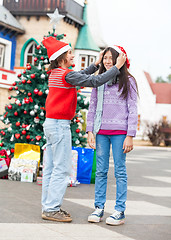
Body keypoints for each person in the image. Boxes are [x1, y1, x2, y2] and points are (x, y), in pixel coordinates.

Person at [41, 37, 126, 223]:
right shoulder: (66, 74)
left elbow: (80, 75)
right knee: (61, 169)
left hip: (50, 123)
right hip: (59, 125)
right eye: (70, 53)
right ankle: (51, 208)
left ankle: (47, 206)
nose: (73, 55)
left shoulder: (56, 73)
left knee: (49, 167)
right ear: (62, 57)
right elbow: (94, 81)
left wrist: (95, 64)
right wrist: (116, 67)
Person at [86, 46, 138, 226]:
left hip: (120, 133)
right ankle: (99, 208)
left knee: (120, 171)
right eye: (105, 58)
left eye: (111, 58)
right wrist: (90, 131)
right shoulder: (98, 81)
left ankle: (119, 211)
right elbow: (92, 107)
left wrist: (130, 135)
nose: (108, 61)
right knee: (100, 171)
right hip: (101, 132)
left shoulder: (129, 81)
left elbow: (133, 109)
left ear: (120, 60)